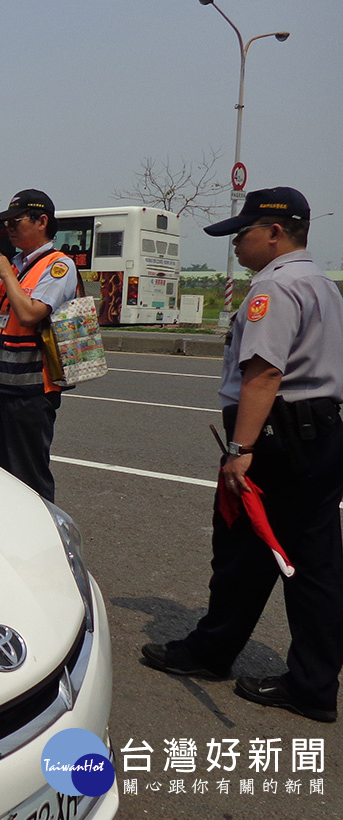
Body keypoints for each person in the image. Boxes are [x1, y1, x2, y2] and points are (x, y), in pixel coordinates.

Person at [140, 187, 343, 723]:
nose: (236, 244)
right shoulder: (322, 283)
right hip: (320, 433)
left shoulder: (274, 289)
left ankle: (212, 653)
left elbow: (265, 373)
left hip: (276, 440)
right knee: (312, 563)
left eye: (243, 232)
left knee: (241, 549)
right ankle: (314, 683)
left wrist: (240, 449)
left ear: (275, 232)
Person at [0, 189, 78, 502]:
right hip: (0, 386)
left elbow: (31, 313)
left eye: (17, 222)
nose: (10, 229)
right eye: (8, 224)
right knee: (0, 474)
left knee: (29, 477)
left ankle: (43, 539)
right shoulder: (13, 266)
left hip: (31, 391)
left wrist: (5, 271)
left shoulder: (58, 266)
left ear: (42, 221)